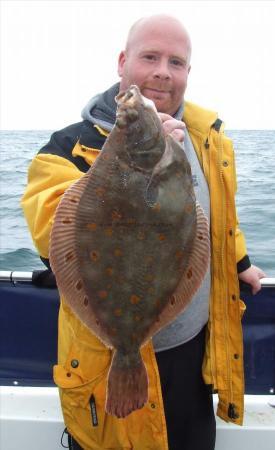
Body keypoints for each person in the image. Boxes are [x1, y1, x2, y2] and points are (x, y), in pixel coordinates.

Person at [21, 14, 265, 450]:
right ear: (123, 62)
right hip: (110, 354)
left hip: (193, 354)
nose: (161, 71)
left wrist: (240, 262)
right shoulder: (68, 146)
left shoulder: (209, 140)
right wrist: (121, 168)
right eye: (149, 56)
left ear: (188, 73)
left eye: (176, 61)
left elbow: (216, 218)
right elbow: (48, 231)